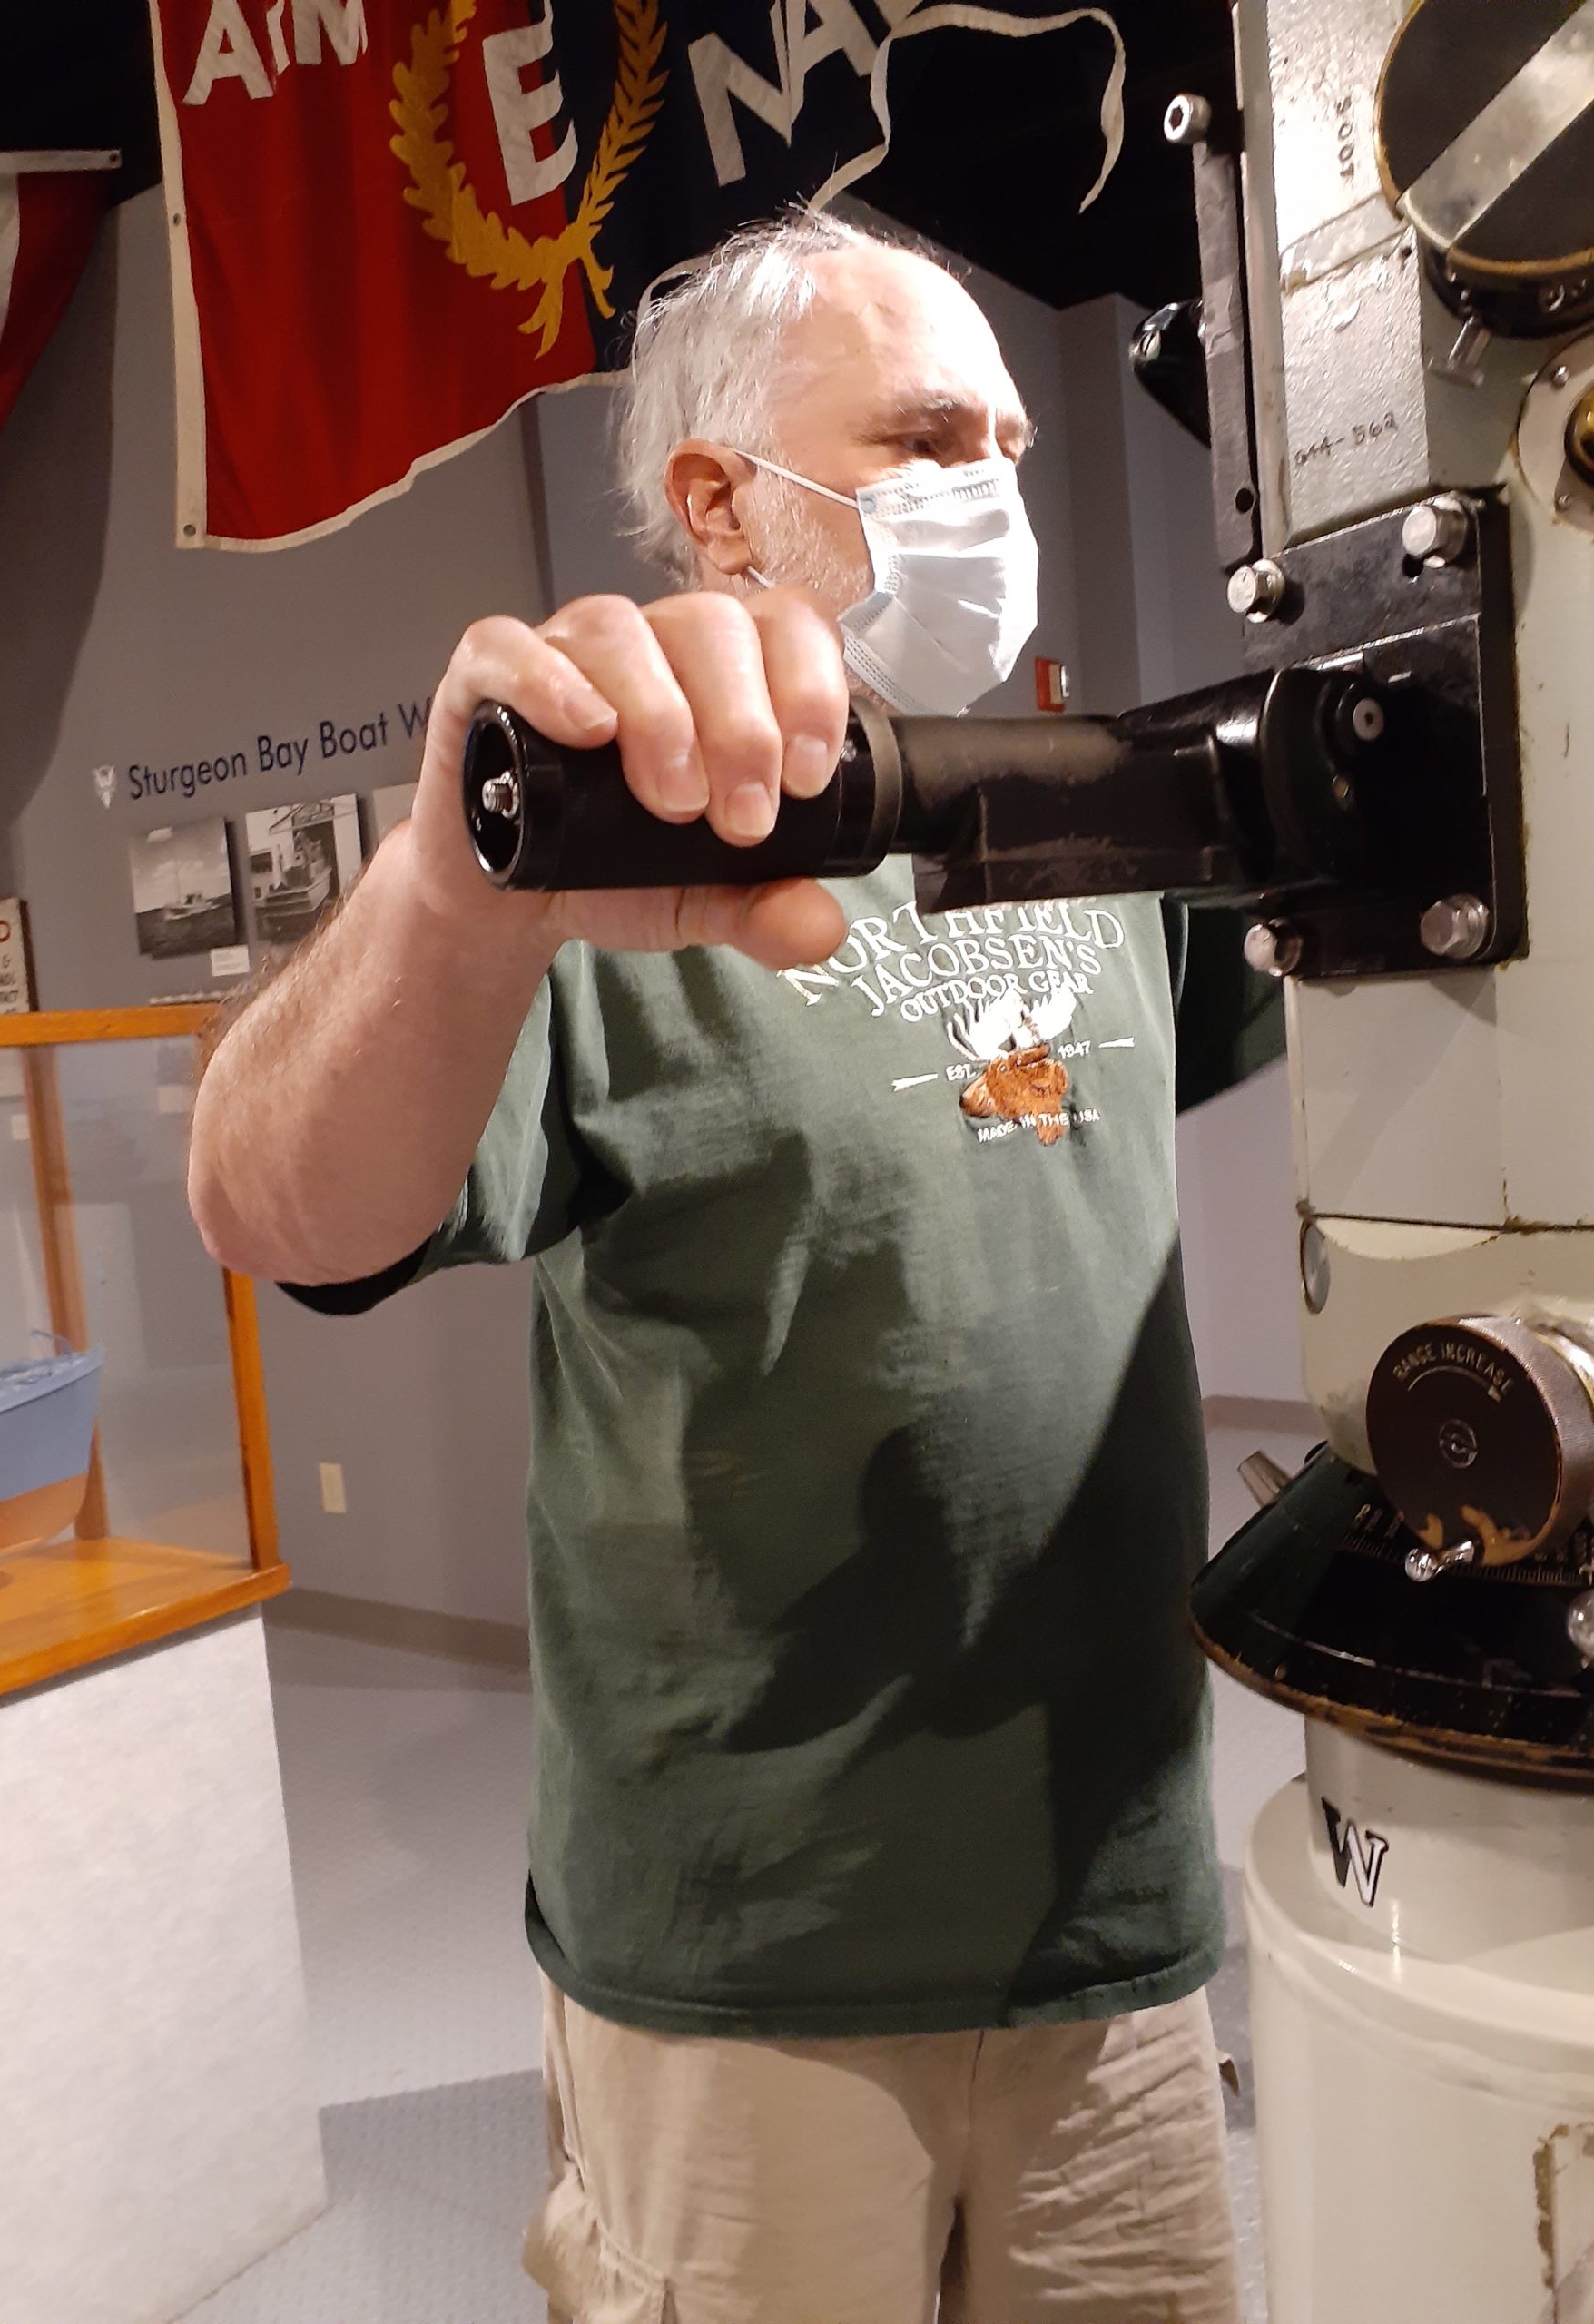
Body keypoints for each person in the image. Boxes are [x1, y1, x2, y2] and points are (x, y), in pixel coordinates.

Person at [189, 210, 1263, 2324]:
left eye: (1011, 448)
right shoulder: (595, 885)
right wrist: (458, 889)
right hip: (754, 1948)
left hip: (1119, 1915)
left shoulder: (1085, 824)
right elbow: (269, 1204)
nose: (995, 494)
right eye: (928, 439)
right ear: (719, 500)